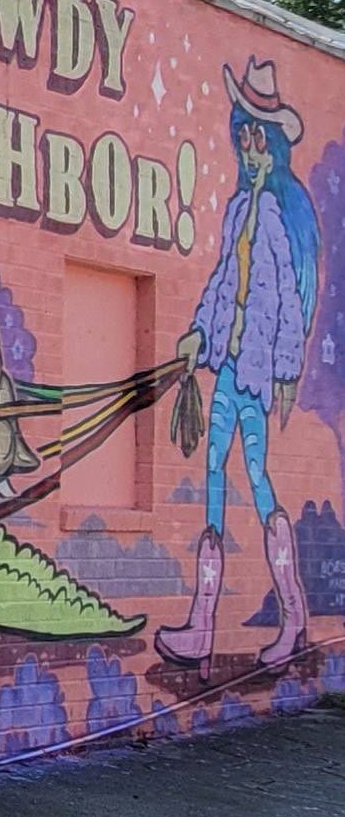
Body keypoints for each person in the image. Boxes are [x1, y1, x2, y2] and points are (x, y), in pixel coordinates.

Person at [157, 58, 318, 669]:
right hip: (225, 368)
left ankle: (294, 615)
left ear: (274, 144)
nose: (249, 147)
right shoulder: (235, 211)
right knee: (215, 487)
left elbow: (285, 301)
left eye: (259, 137)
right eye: (242, 135)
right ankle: (202, 623)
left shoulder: (281, 214)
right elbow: (225, 283)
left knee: (259, 482)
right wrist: (199, 334)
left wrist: (282, 372)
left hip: (255, 375)